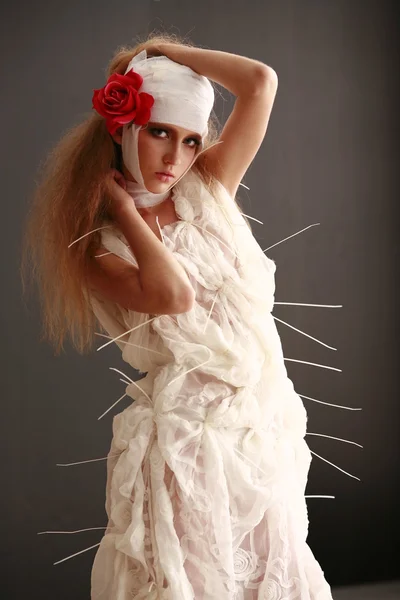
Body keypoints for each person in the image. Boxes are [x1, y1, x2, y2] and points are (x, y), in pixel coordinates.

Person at [22, 33, 334, 599]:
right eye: (160, 131)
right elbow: (173, 296)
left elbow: (260, 83)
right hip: (189, 444)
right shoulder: (99, 244)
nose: (175, 157)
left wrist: (162, 54)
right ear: (123, 128)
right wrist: (122, 207)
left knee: (270, 576)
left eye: (191, 140)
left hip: (261, 427)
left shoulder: (209, 187)